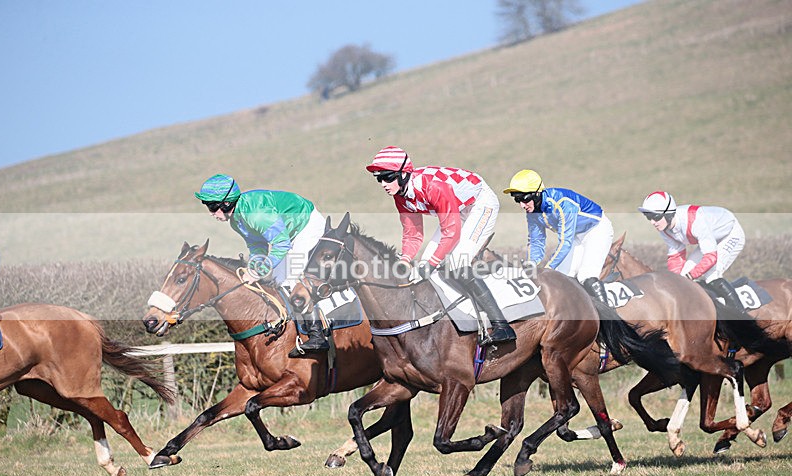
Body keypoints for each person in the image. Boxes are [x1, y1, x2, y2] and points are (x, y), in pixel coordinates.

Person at [366, 146, 516, 346]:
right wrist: (404, 260)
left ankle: (502, 326)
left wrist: (432, 263)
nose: (383, 184)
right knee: (422, 267)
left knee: (457, 262)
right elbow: (413, 234)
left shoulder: (432, 187)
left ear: (403, 174)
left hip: (480, 204)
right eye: (379, 179)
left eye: (387, 177)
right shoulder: (400, 195)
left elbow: (451, 233)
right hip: (456, 209)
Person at [195, 173, 330, 356]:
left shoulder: (256, 215)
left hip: (305, 226)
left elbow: (281, 243)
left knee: (292, 280)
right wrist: (254, 267)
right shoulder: (236, 221)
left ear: (226, 203)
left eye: (212, 206)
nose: (211, 213)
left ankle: (317, 336)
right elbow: (257, 245)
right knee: (277, 279)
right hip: (287, 233)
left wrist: (258, 272)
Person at [503, 169, 614, 306]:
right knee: (561, 278)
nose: (521, 205)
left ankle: (611, 320)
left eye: (524, 199)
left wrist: (547, 269)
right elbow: (536, 241)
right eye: (517, 200)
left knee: (586, 277)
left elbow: (565, 243)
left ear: (537, 193)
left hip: (596, 230)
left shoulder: (561, 203)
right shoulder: (532, 212)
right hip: (576, 236)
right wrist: (532, 263)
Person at [638, 191, 746, 312]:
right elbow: (676, 257)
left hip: (730, 234)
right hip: (711, 239)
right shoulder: (664, 229)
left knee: (711, 276)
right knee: (683, 277)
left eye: (656, 217)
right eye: (649, 217)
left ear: (668, 214)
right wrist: (676, 282)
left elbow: (710, 258)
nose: (652, 222)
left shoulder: (695, 221)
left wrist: (691, 275)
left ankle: (742, 318)